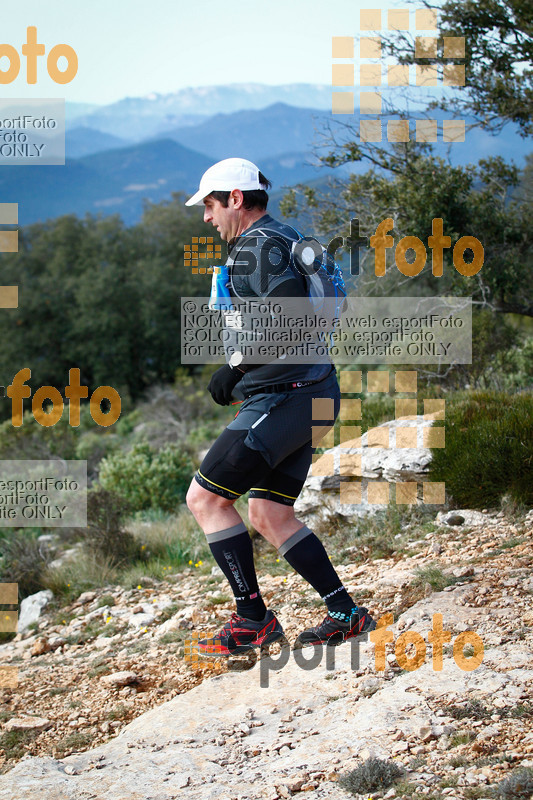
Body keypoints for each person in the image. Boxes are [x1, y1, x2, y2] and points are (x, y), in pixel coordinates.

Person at [184, 157, 375, 656]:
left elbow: (287, 321)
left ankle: (253, 621)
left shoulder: (256, 248)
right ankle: (345, 613)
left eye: (210, 205)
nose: (207, 217)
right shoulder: (286, 236)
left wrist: (237, 368)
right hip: (313, 392)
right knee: (268, 512)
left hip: (285, 397)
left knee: (205, 501)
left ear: (235, 199)